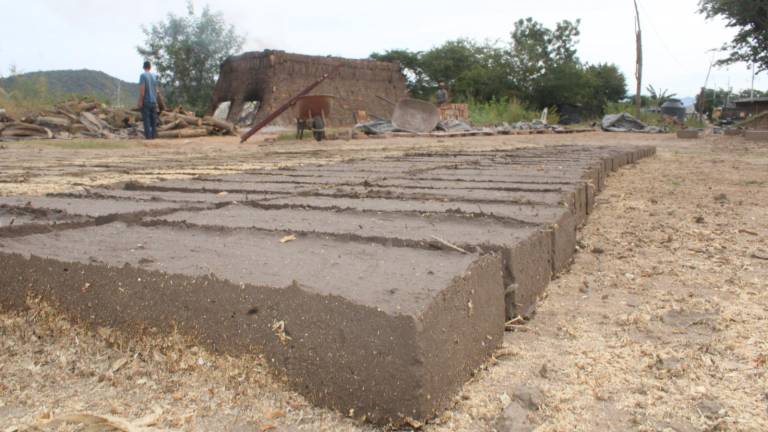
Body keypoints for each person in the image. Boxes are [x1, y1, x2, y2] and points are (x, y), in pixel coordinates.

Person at [138, 61, 160, 139]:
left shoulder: (143, 76)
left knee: (146, 120)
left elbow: (142, 90)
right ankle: (153, 136)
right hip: (153, 101)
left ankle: (148, 137)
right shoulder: (154, 76)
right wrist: (156, 101)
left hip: (146, 101)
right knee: (153, 120)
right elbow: (157, 91)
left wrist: (140, 101)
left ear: (144, 67)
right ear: (150, 67)